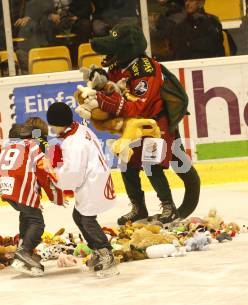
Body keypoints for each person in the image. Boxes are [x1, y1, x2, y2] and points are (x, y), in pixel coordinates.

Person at [91, 23, 180, 224]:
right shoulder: (117, 66)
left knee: (151, 165)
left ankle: (169, 207)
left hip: (153, 124)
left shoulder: (145, 70)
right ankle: (138, 208)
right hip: (132, 127)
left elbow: (137, 107)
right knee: (126, 163)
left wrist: (105, 101)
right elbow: (114, 90)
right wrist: (101, 85)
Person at [45, 102, 119, 278]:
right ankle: (98, 250)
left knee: (86, 219)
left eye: (52, 125)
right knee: (79, 216)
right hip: (96, 178)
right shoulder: (80, 130)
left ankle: (105, 252)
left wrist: (55, 176)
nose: (51, 128)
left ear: (58, 124)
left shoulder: (72, 142)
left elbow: (73, 174)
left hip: (92, 182)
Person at [0, 121, 64, 276]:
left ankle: (23, 248)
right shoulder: (32, 144)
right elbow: (44, 171)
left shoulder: (5, 145)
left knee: (26, 214)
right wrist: (57, 196)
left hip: (1, 183)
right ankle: (24, 252)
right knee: (37, 222)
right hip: (19, 183)